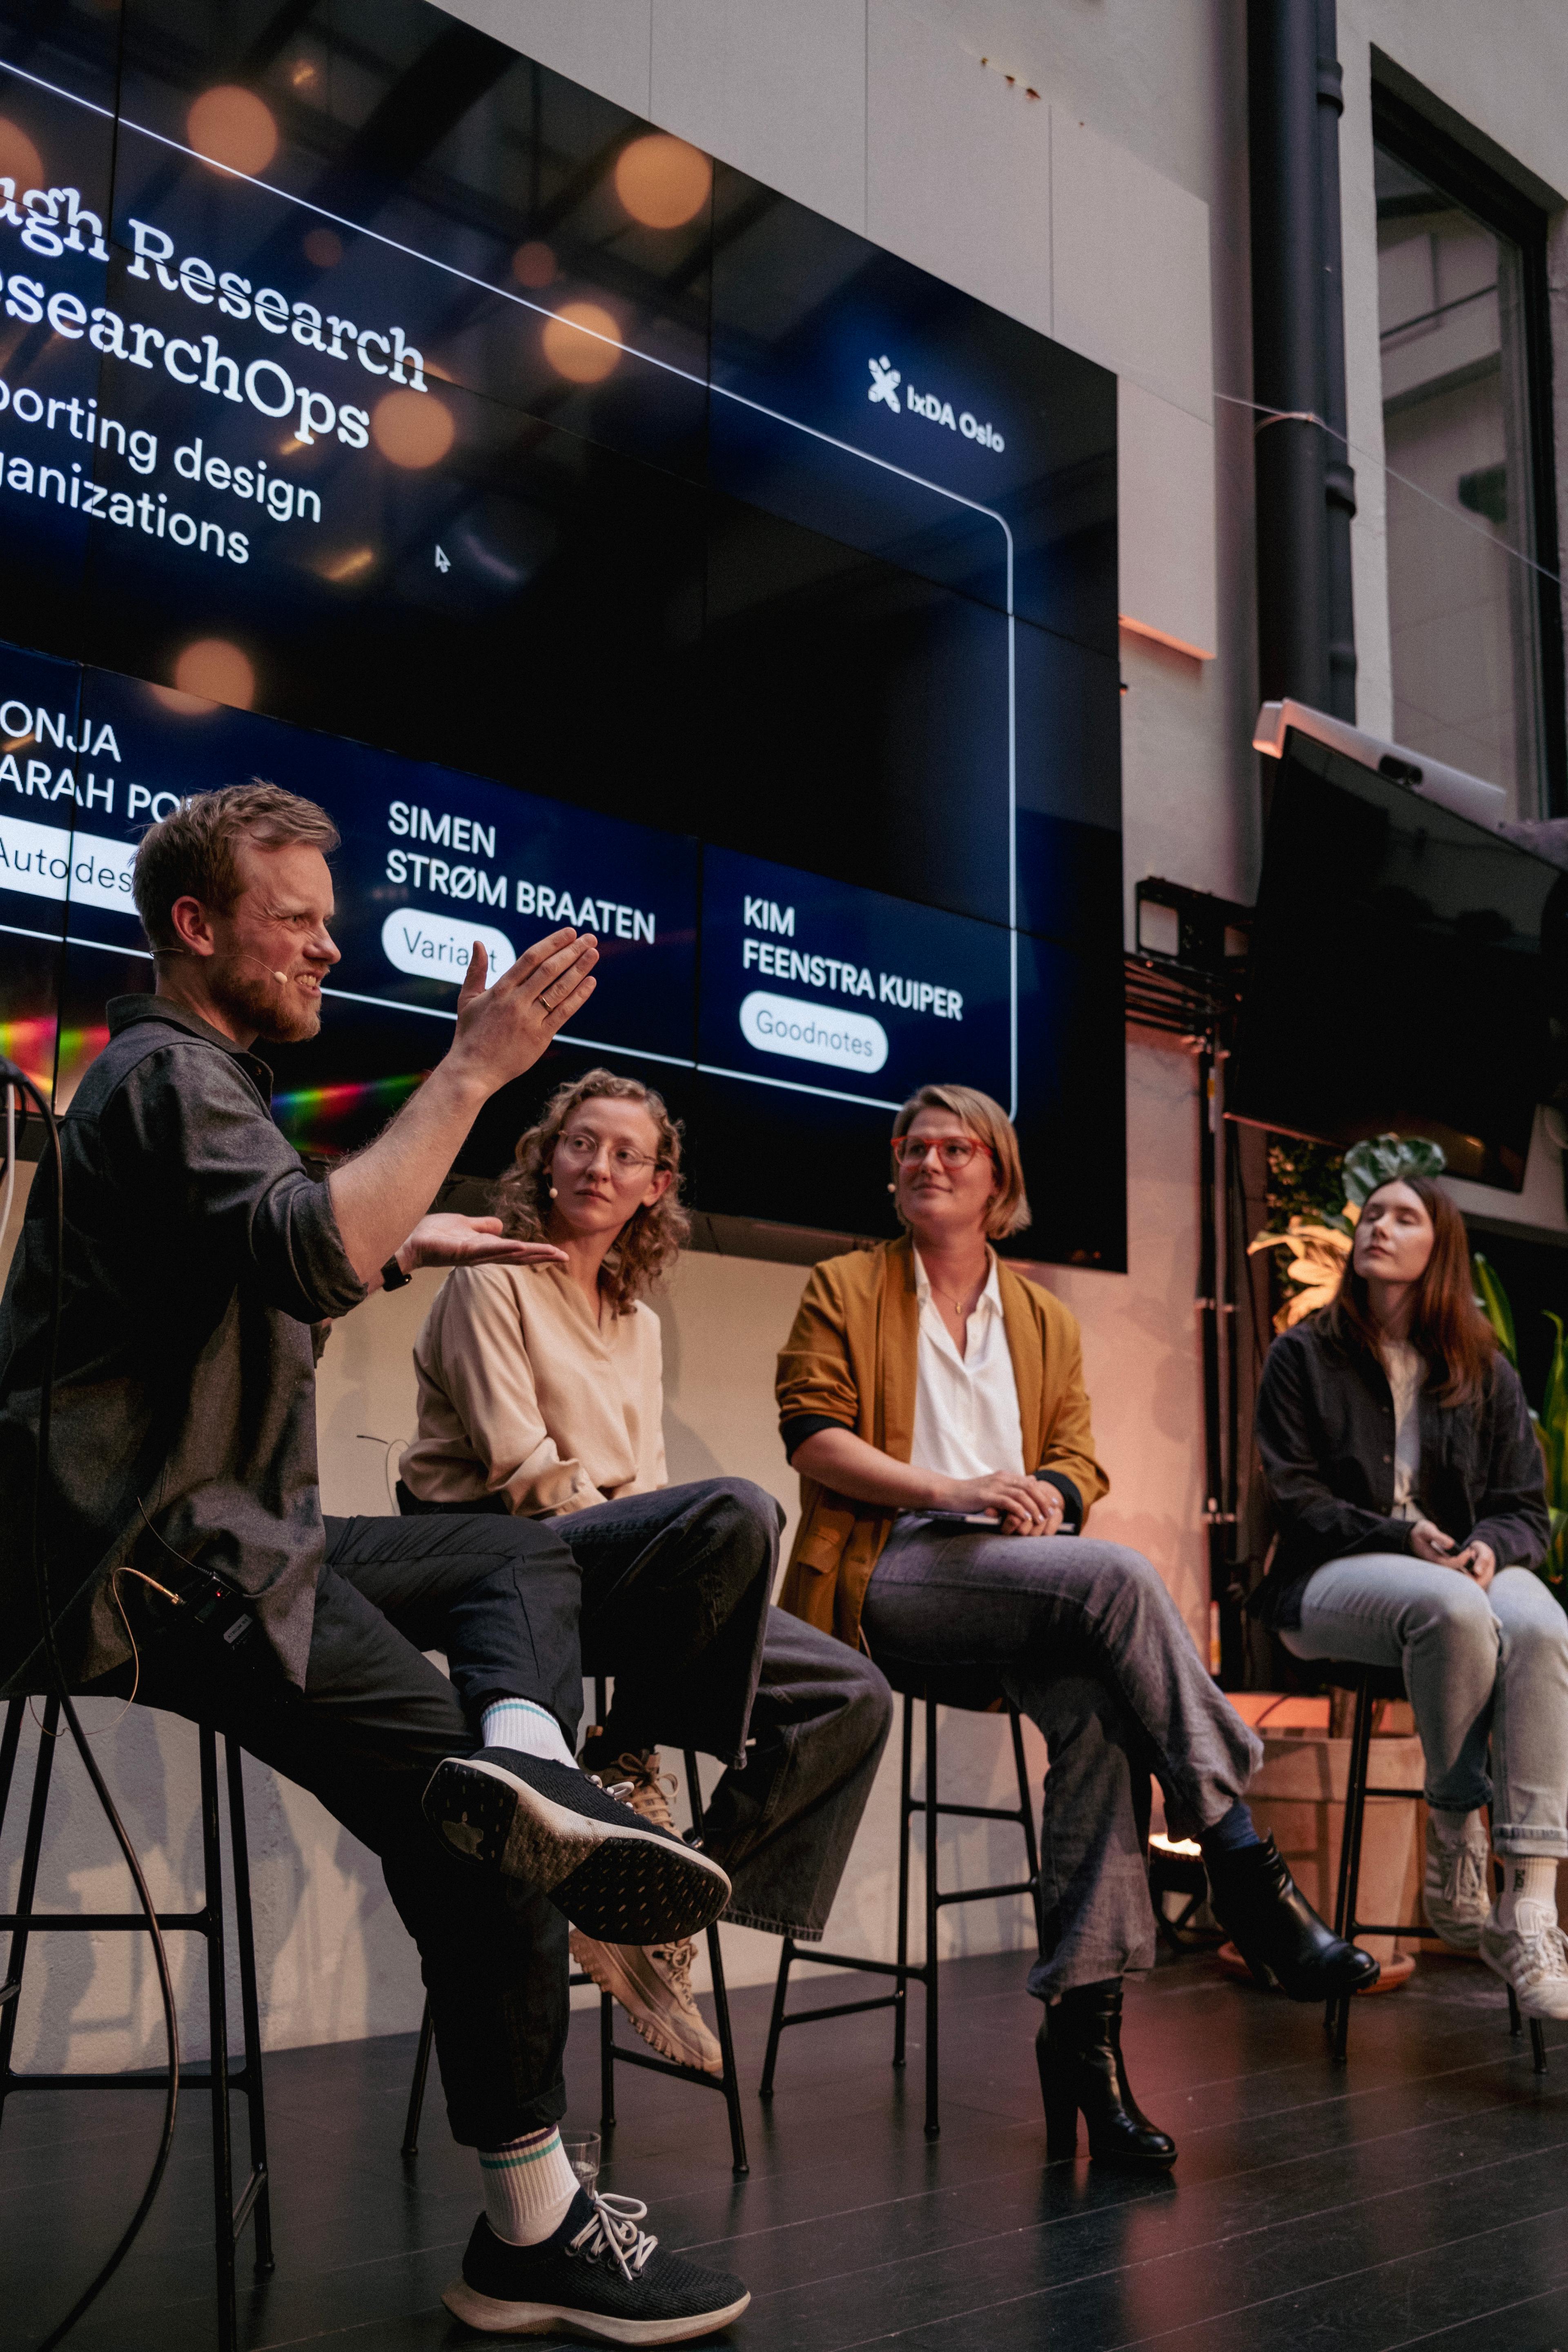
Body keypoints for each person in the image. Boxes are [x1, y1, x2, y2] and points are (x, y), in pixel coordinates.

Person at [0, 784, 749, 2343]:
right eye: (299, 918)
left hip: (238, 1534)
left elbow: (263, 1252)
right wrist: (473, 1073)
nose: (332, 945)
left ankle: (536, 1757)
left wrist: (411, 1242)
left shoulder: (187, 1086)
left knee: (503, 1562)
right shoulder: (165, 1070)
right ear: (198, 927)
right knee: (493, 1849)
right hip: (162, 1565)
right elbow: (299, 1249)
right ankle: (530, 2228)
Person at [774, 1082, 1378, 2173]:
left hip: (1017, 1584)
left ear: (998, 1179)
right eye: (913, 1147)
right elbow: (812, 1435)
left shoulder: (1043, 1318)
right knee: (1119, 1578)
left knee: (1103, 1719)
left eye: (957, 1148)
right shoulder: (847, 1285)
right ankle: (1243, 1860)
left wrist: (1050, 1493)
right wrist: (956, 1491)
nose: (929, 1162)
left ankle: (1085, 2050)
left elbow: (1079, 1459)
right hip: (893, 1574)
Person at [399, 1067, 894, 2076]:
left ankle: (653, 1907)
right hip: (505, 1562)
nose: (598, 1165)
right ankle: (627, 1761)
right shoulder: (491, 1276)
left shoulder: (638, 1322)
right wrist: (667, 1547)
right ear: (546, 1154)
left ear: (655, 1186)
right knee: (741, 1512)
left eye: (626, 1154)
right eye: (582, 1142)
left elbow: (657, 1497)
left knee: (854, 1694)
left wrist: (679, 1562)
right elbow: (522, 1475)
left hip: (609, 1564)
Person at [1254, 1172, 1568, 2017]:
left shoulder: (1483, 1366)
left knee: (1540, 1626)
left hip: (1455, 1575)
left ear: (1441, 1247)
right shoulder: (1303, 1353)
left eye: (1404, 1217)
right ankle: (1456, 1823)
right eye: (1372, 1215)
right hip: (1332, 1577)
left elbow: (1523, 1511)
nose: (1378, 1228)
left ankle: (1530, 1902)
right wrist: (1403, 1538)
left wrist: (1485, 1549)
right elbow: (1295, 1496)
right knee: (1453, 1610)